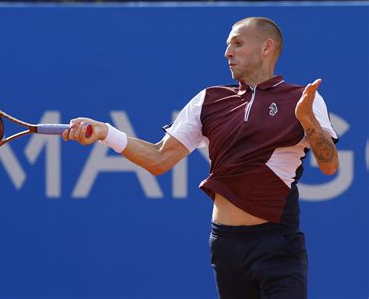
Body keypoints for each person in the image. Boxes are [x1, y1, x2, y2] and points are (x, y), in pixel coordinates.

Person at [62, 17, 339, 299]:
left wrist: (308, 121)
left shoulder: (303, 99)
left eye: (238, 43)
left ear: (267, 47)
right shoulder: (208, 100)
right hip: (226, 246)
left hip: (278, 244)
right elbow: (159, 159)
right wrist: (105, 132)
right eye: (228, 45)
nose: (227, 52)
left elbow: (329, 165)